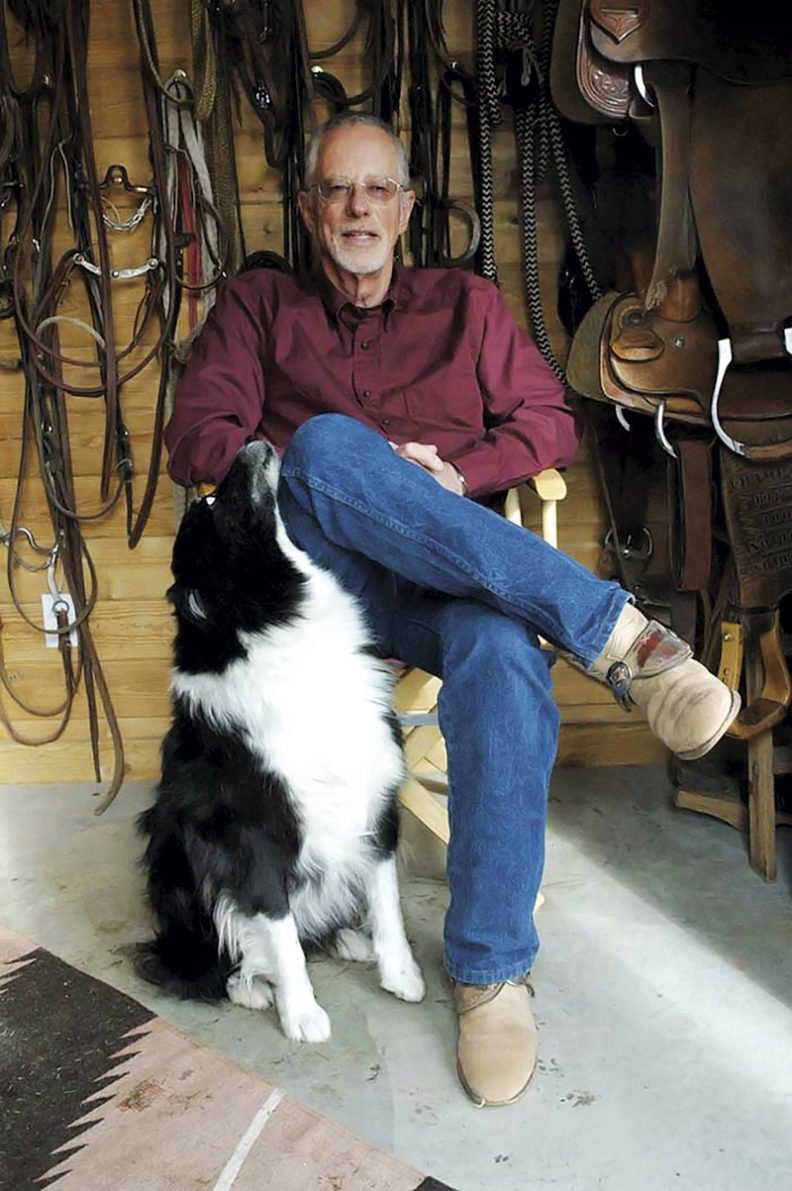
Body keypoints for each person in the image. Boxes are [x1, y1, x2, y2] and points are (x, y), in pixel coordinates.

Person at [164, 112, 740, 1108]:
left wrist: (453, 476)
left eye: (378, 190)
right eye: (338, 190)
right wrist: (335, 472)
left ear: (407, 208)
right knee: (331, 447)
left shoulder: (465, 307)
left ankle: (491, 972)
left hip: (449, 584)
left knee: (504, 648)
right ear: (308, 207)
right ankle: (620, 635)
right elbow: (197, 439)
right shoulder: (260, 306)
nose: (358, 209)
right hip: (317, 602)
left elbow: (549, 424)